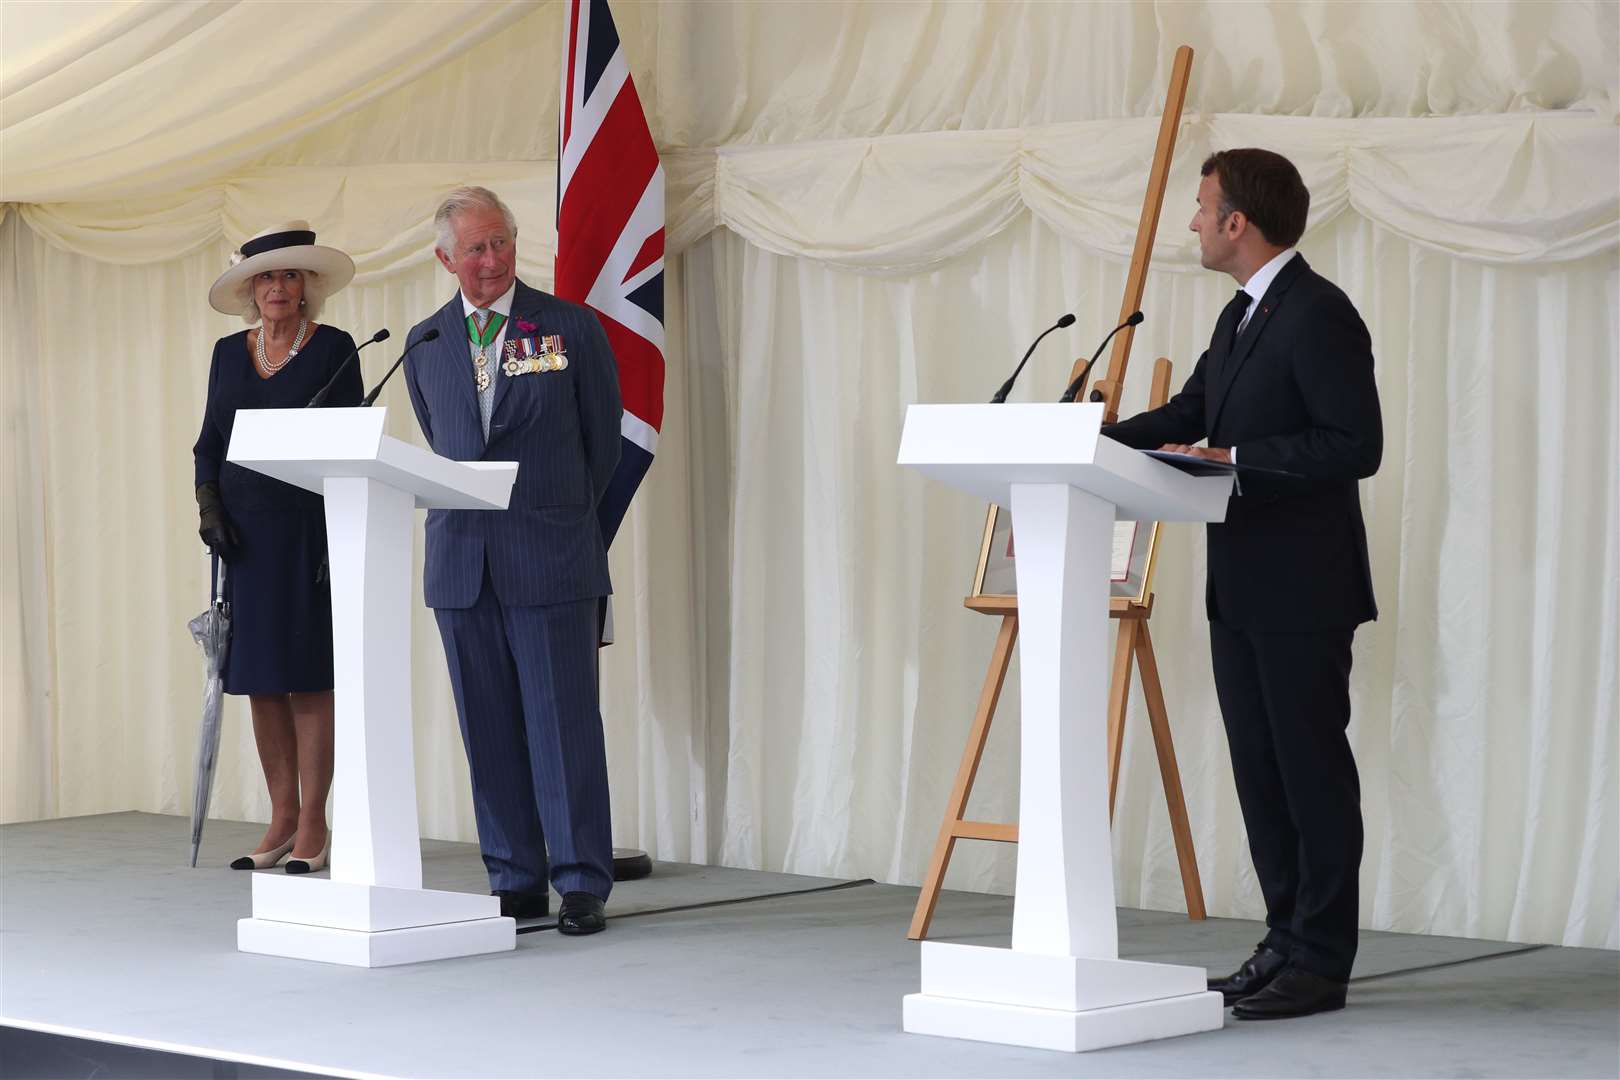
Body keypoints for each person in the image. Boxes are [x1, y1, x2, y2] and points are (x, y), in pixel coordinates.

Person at [1102, 149, 1382, 1019]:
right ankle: (1282, 941)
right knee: (1261, 774)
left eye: (1200, 207)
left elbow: (1354, 444)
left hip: (1305, 591)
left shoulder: (1319, 313)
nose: (1191, 222)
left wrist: (1237, 459)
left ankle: (1321, 959)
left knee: (1310, 774)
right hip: (1242, 587)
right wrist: (1093, 437)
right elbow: (1193, 414)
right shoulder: (1239, 319)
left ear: (1238, 222)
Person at [403, 187, 621, 935]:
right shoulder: (425, 343)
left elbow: (603, 445)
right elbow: (441, 442)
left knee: (564, 724)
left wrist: (557, 519)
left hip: (550, 556)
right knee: (487, 726)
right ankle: (516, 876)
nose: (491, 260)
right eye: (474, 248)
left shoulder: (566, 327)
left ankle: (582, 879)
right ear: (444, 258)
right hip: (463, 568)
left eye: (500, 243)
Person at [193, 221, 362, 874]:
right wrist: (208, 502)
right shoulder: (228, 355)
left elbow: (351, 442)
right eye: (266, 276)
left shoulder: (336, 349)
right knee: (262, 681)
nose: (277, 287)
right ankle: (281, 816)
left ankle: (316, 820)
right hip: (244, 540)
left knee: (308, 679)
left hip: (309, 536)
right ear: (250, 289)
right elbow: (210, 440)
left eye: (289, 275)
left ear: (307, 286)